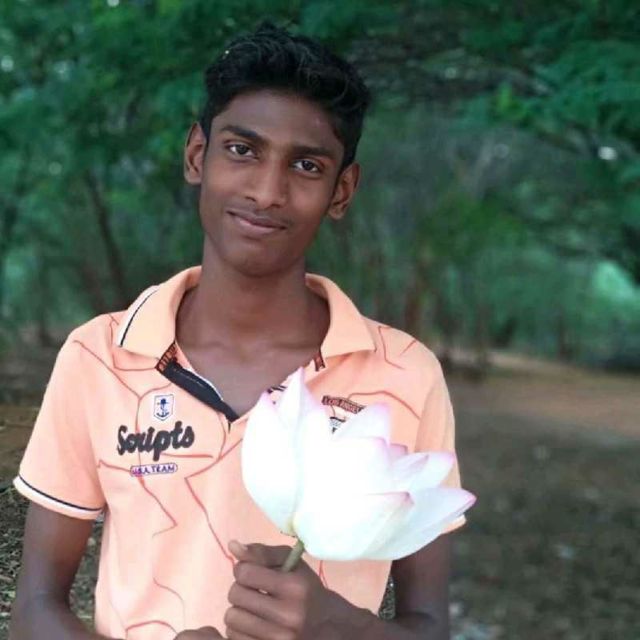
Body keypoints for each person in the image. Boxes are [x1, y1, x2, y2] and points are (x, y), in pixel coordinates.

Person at [10, 22, 467, 640]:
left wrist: (340, 626)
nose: (267, 191)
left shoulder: (406, 375)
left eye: (306, 165)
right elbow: (35, 607)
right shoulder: (98, 356)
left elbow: (429, 626)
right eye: (242, 150)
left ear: (341, 191)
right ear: (197, 155)